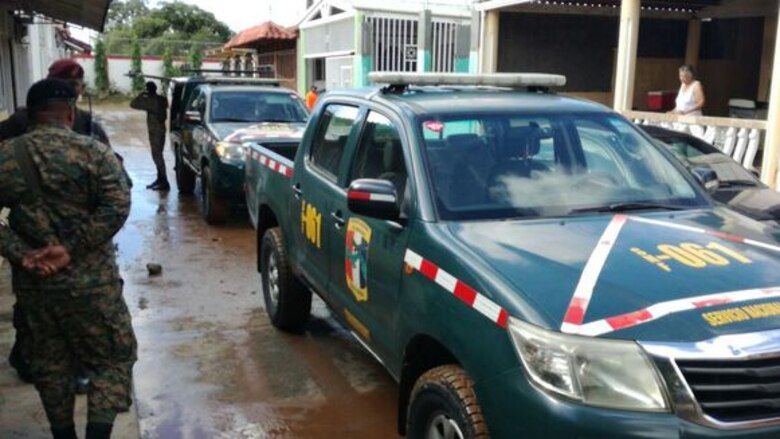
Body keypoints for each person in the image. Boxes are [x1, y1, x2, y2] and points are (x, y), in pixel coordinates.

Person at [0, 78, 136, 439]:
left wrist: (21, 253)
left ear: (29, 114)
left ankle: (63, 435)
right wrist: (71, 249)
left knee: (50, 364)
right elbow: (117, 205)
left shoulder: (6, 156)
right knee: (112, 359)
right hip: (93, 286)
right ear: (71, 113)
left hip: (36, 285)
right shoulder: (94, 153)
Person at [130, 81, 170, 191]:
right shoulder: (161, 99)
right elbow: (165, 102)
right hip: (160, 130)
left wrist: (142, 94)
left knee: (157, 156)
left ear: (148, 90)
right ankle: (160, 179)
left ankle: (164, 181)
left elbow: (133, 104)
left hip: (155, 131)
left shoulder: (150, 101)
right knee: (158, 155)